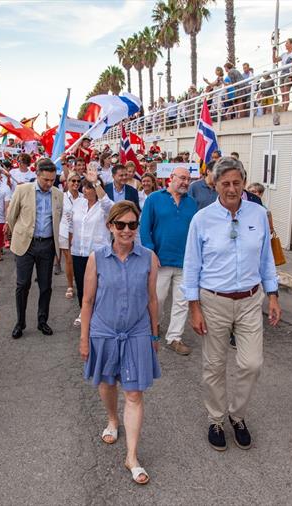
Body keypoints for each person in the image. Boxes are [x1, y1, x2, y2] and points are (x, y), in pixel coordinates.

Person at [183, 157, 281, 452]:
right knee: (214, 365)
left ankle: (237, 416)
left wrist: (273, 294)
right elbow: (191, 265)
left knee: (251, 363)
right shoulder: (202, 219)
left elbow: (266, 258)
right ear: (214, 184)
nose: (232, 188)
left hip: (251, 300)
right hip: (214, 300)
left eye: (237, 182)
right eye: (225, 183)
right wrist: (194, 307)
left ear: (243, 183)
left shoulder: (258, 214)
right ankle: (216, 419)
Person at [80, 200, 161, 485]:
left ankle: (132, 457)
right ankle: (113, 419)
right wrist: (84, 339)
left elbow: (152, 299)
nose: (127, 230)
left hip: (138, 331)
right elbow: (87, 301)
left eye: (133, 225)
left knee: (135, 394)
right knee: (107, 383)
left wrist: (154, 334)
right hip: (103, 331)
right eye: (121, 225)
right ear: (110, 226)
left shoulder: (149, 257)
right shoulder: (97, 258)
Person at [140, 167, 197, 356]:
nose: (185, 183)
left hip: (185, 262)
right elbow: (144, 228)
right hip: (160, 261)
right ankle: (154, 325)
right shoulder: (154, 199)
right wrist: (151, 252)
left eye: (188, 179)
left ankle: (174, 338)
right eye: (182, 178)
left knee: (181, 303)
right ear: (171, 178)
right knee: (158, 298)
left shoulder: (192, 204)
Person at [5, 158, 63, 339]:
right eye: (46, 179)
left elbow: (59, 220)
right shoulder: (22, 190)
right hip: (26, 245)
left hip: (47, 245)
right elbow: (12, 217)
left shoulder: (58, 194)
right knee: (23, 285)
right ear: (37, 175)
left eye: (52, 180)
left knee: (46, 286)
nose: (49, 183)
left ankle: (42, 321)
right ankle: (20, 323)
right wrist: (21, 236)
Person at [68, 169, 113, 326]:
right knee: (81, 284)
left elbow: (108, 204)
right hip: (79, 251)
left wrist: (96, 182)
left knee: (100, 286)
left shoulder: (104, 206)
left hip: (98, 253)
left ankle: (101, 313)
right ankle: (84, 311)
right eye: (84, 187)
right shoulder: (78, 203)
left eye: (89, 187)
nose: (85, 190)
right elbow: (71, 225)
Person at [59, 171, 82, 301]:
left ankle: (80, 283)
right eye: (73, 181)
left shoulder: (84, 198)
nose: (76, 183)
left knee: (78, 261)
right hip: (64, 232)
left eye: (78, 181)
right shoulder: (61, 197)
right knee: (68, 260)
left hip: (79, 233)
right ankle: (69, 286)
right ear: (67, 182)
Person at [278, 39, 292, 112]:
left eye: (287, 43)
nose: (285, 45)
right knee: (283, 94)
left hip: (289, 74)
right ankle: (283, 108)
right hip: (282, 74)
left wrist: (291, 75)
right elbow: (274, 60)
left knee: (286, 93)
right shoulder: (284, 54)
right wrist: (273, 51)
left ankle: (285, 109)